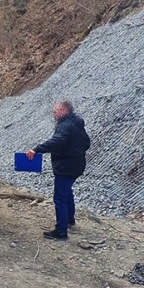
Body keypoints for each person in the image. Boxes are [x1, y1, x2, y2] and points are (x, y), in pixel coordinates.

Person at [26, 100, 91, 240]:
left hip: (66, 166)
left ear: (64, 111)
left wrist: (37, 150)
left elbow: (57, 141)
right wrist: (75, 152)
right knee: (67, 192)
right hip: (77, 165)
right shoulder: (78, 125)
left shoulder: (65, 126)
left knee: (60, 198)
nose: (53, 113)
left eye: (55, 111)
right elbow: (87, 143)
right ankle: (69, 220)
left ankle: (61, 231)